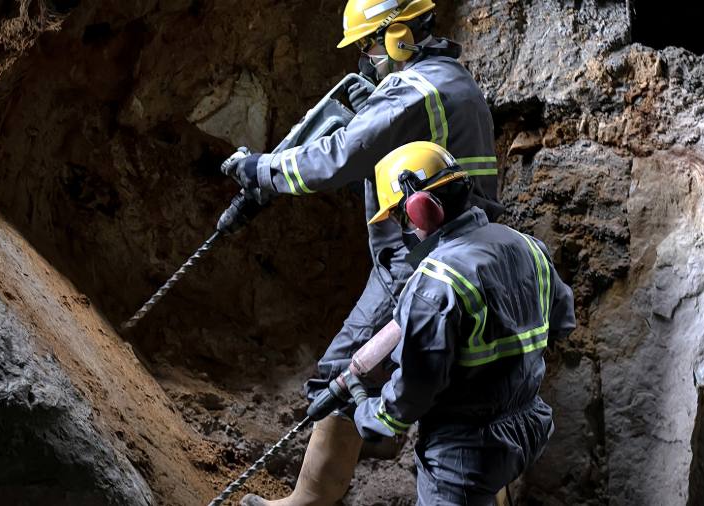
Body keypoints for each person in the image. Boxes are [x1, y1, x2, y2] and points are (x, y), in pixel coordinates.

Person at [223, 1, 505, 504]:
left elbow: (337, 157)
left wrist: (263, 170)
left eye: (368, 44)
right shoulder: (454, 81)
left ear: (398, 36)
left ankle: (308, 501)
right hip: (460, 250)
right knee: (471, 405)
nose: (365, 55)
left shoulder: (413, 89)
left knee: (340, 374)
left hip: (419, 265)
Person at [354, 141, 576, 505]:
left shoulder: (435, 281)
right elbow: (561, 323)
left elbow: (415, 389)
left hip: (465, 454)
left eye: (399, 217)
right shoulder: (528, 246)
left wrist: (373, 414)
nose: (403, 228)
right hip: (526, 427)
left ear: (420, 209)